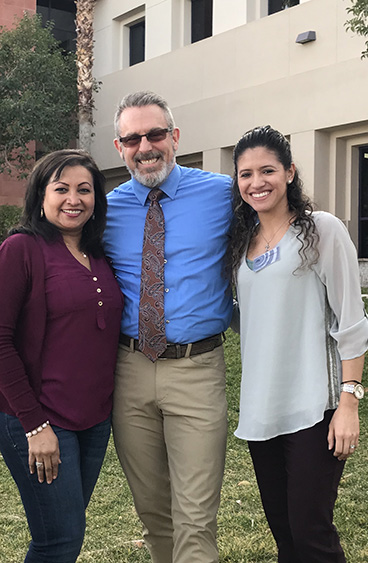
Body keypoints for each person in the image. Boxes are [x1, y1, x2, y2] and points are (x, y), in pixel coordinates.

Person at [228, 125, 368, 563]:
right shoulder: (241, 244)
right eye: (246, 174)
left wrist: (349, 402)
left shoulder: (322, 230)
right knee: (286, 536)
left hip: (316, 407)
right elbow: (249, 320)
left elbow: (353, 321)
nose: (257, 183)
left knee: (312, 535)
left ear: (289, 172)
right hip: (261, 409)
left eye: (267, 170)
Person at [103, 91, 233, 563]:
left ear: (175, 138)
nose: (146, 146)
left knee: (196, 517)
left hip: (196, 368)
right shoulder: (104, 210)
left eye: (155, 134)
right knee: (153, 512)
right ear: (119, 148)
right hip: (128, 369)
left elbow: (281, 212)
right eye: (132, 138)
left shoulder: (223, 192)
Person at [0, 149, 124, 563]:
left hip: (93, 420)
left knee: (65, 530)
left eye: (84, 190)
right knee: (59, 541)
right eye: (62, 188)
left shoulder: (100, 255)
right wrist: (35, 426)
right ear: (41, 196)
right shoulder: (21, 250)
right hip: (37, 420)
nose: (74, 199)